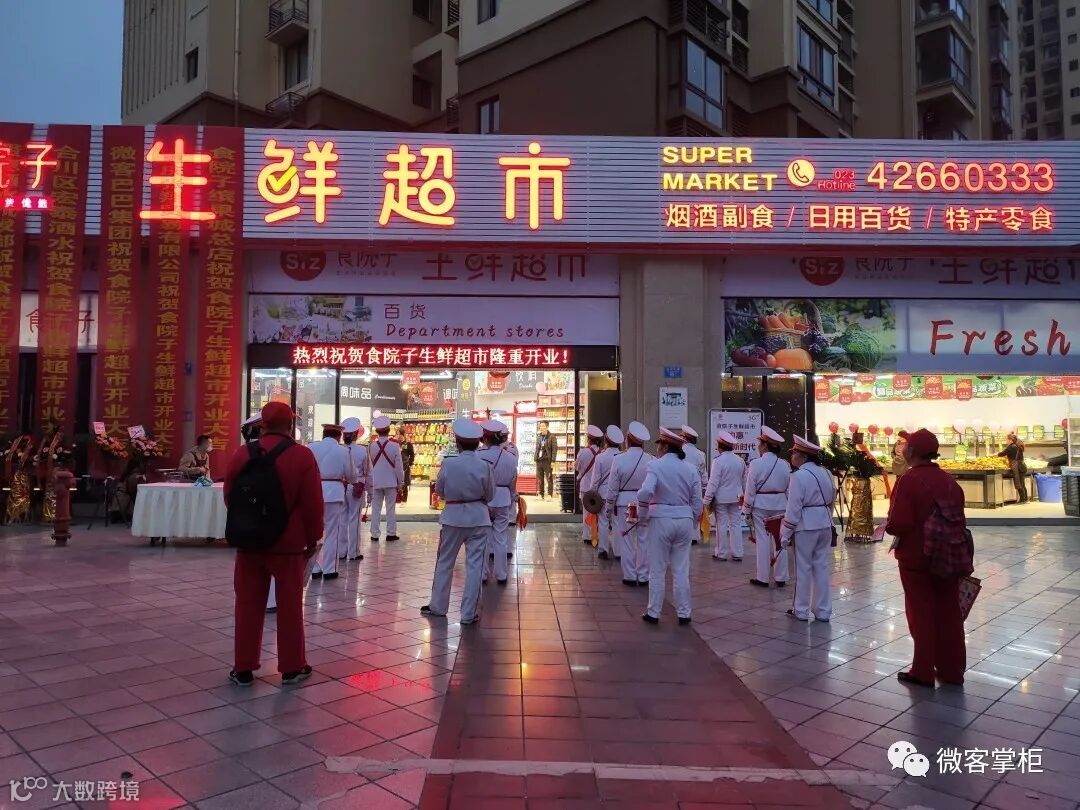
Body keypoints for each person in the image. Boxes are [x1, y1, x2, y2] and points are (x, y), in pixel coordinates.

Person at [226, 401, 323, 687]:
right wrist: (312, 539)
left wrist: (249, 524)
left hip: (249, 544)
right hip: (288, 545)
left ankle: (243, 668)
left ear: (262, 424)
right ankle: (292, 667)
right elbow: (312, 505)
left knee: (247, 605)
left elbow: (230, 496)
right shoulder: (302, 456)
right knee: (290, 607)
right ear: (290, 425)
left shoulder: (242, 454)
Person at [885, 428, 968, 688]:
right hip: (949, 555)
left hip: (916, 557)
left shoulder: (908, 481)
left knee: (920, 612)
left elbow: (898, 523)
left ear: (911, 451)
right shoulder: (949, 480)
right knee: (949, 612)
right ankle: (952, 671)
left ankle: (922, 671)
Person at [422, 419, 496, 625]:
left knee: (445, 562)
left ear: (458, 442)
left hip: (452, 518)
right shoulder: (485, 466)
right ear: (478, 443)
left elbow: (439, 490)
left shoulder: (449, 464)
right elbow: (490, 494)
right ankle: (468, 614)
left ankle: (438, 606)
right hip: (478, 519)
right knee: (475, 566)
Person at [637, 427, 702, 625]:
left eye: (659, 446)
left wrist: (642, 515)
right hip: (684, 519)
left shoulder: (655, 466)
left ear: (664, 447)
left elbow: (645, 492)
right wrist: (692, 520)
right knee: (681, 569)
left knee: (657, 569)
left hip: (661, 519)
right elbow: (697, 502)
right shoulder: (690, 469)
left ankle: (654, 612)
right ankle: (684, 613)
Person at [781, 436, 836, 622]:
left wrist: (785, 533)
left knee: (803, 567)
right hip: (825, 522)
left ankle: (801, 610)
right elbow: (832, 498)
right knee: (821, 566)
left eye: (794, 452)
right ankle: (823, 611)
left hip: (806, 525)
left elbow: (793, 508)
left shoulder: (798, 476)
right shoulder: (826, 473)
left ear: (803, 456)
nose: (792, 455)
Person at [602, 421, 652, 586]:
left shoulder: (619, 459)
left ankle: (629, 575)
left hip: (624, 503)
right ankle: (643, 576)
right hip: (644, 504)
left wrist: (609, 508)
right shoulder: (650, 459)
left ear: (628, 439)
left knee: (626, 538)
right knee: (644, 540)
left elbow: (612, 488)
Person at [744, 426, 790, 588]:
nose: (758, 447)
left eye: (760, 444)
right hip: (780, 505)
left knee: (763, 541)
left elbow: (750, 489)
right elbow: (789, 488)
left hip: (761, 506)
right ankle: (781, 577)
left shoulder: (755, 464)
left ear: (765, 446)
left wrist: (746, 510)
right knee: (780, 540)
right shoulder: (784, 464)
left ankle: (763, 578)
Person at [308, 424, 354, 581]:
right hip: (334, 492)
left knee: (313, 531)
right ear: (339, 436)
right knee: (332, 531)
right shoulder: (343, 451)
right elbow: (351, 475)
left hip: (314, 491)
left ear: (324, 434)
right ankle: (329, 569)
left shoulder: (311, 447)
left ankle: (314, 567)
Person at [479, 419, 517, 585]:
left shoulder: (479, 455)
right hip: (503, 497)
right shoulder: (510, 457)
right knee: (501, 537)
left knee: (484, 537)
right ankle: (501, 574)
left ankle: (483, 573)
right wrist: (513, 496)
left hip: (484, 499)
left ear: (485, 438)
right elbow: (513, 480)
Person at [704, 431, 746, 562]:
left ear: (720, 446)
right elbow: (744, 480)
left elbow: (713, 482)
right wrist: (745, 496)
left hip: (721, 498)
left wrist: (706, 499)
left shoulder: (718, 461)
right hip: (737, 497)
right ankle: (738, 553)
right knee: (736, 524)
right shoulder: (740, 460)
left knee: (721, 525)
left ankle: (721, 553)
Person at [585, 426, 622, 560]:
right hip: (618, 495)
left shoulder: (600, 457)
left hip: (603, 495)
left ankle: (603, 550)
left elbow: (596, 479)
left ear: (606, 440)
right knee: (617, 523)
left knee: (603, 522)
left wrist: (592, 493)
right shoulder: (622, 456)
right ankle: (618, 552)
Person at [367, 415, 405, 541]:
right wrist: (401, 482)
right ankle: (391, 533)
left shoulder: (371, 446)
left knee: (375, 509)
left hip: (375, 481)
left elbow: (370, 465)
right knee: (390, 508)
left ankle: (374, 534)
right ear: (389, 430)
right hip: (390, 481)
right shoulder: (394, 446)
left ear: (377, 431)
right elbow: (399, 466)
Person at [341, 417, 368, 563]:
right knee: (354, 519)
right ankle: (354, 552)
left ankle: (341, 551)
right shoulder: (362, 450)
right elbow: (368, 472)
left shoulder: (339, 449)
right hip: (356, 487)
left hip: (341, 486)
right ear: (357, 434)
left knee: (342, 519)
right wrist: (370, 491)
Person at [575, 425, 604, 544]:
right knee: (599, 513)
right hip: (599, 488)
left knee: (586, 511)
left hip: (586, 486)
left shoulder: (583, 452)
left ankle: (587, 536)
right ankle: (596, 535)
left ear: (588, 439)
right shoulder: (602, 453)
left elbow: (577, 467)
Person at [680, 426, 708, 544]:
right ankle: (694, 536)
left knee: (682, 509)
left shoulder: (679, 451)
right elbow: (703, 474)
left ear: (684, 438)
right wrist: (705, 488)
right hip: (696, 485)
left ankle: (683, 534)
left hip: (681, 484)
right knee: (695, 508)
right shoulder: (700, 454)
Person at [998, 432, 1029, 504]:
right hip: (1022, 466)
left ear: (1010, 440)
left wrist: (996, 454)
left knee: (1019, 483)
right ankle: (1025, 499)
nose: (1006, 441)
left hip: (1017, 467)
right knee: (1022, 483)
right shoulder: (1017, 446)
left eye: (1006, 439)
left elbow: (1002, 453)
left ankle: (1022, 500)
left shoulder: (1011, 447)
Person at [534, 420, 558, 500]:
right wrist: (535, 458)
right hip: (539, 460)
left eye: (543, 426)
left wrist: (553, 461)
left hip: (547, 460)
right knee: (540, 478)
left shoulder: (552, 437)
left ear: (547, 427)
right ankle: (541, 494)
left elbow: (554, 449)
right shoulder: (539, 437)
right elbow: (537, 449)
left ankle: (549, 495)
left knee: (549, 478)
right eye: (540, 426)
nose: (541, 427)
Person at [399, 428, 416, 501]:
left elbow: (412, 454)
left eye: (400, 435)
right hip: (397, 466)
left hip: (405, 466)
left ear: (403, 435)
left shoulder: (408, 444)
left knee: (405, 482)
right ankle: (398, 497)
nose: (399, 436)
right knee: (397, 482)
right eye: (397, 435)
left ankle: (404, 499)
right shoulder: (395, 444)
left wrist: (410, 463)